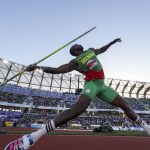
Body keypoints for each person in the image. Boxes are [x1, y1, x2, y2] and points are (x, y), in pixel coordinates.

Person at [4, 38, 150, 150]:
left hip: (103, 85)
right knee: (78, 109)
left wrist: (111, 42)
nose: (78, 44)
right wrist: (37, 68)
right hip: (91, 85)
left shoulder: (91, 51)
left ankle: (147, 128)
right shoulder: (74, 62)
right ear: (74, 51)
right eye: (74, 46)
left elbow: (102, 49)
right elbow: (58, 70)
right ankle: (32, 137)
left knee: (126, 106)